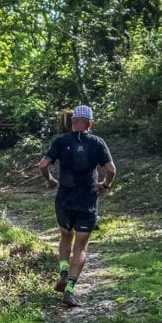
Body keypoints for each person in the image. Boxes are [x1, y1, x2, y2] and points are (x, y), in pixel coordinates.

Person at [38, 104, 116, 307]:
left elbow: (43, 165)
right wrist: (105, 185)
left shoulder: (61, 141)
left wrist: (50, 180)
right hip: (87, 199)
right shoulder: (98, 142)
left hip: (65, 197)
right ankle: (70, 290)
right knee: (80, 246)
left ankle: (63, 272)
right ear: (90, 123)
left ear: (73, 121)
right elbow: (111, 169)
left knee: (65, 235)